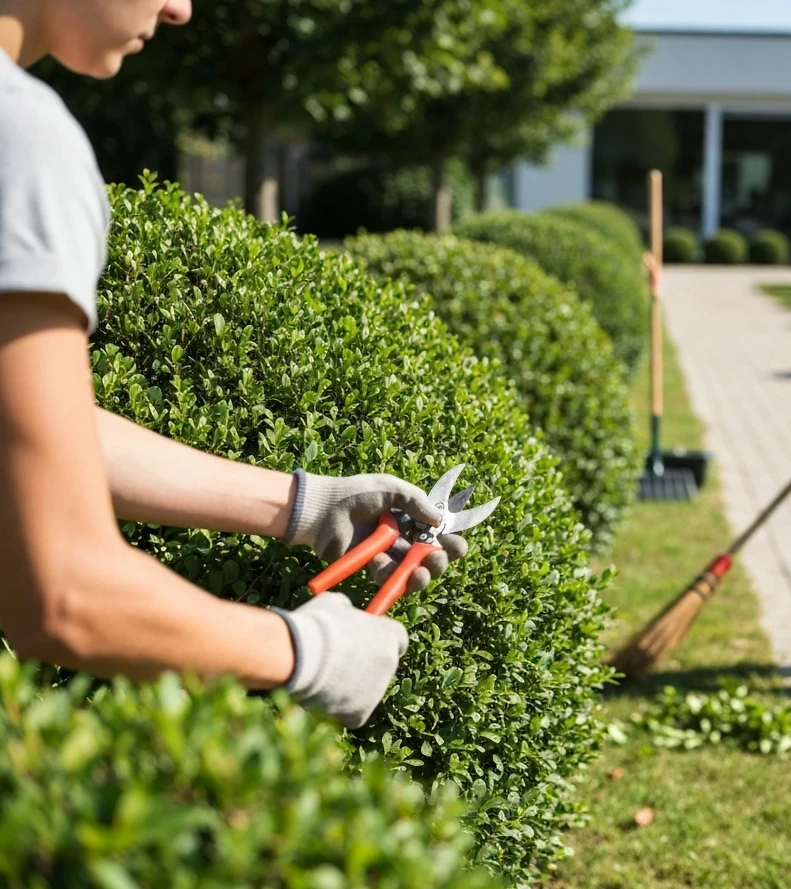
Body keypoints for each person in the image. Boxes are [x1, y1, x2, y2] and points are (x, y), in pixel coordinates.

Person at [0, 0, 467, 729]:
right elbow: (62, 593)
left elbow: (27, 431)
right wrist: (299, 651)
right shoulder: (22, 140)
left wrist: (306, 506)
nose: (180, 8)